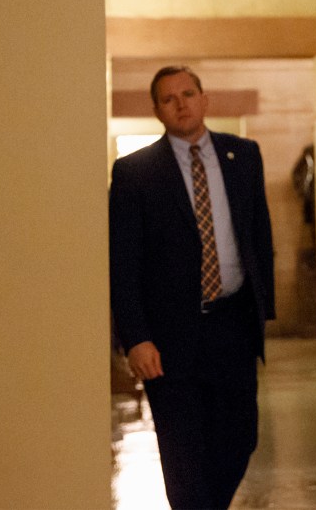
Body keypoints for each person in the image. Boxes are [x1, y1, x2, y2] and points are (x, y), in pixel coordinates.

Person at [110, 65, 275, 509]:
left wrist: (264, 312)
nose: (180, 103)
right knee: (183, 455)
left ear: (204, 99)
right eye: (169, 98)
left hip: (233, 327)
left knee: (241, 438)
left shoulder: (244, 156)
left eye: (188, 93)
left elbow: (259, 234)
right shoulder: (134, 173)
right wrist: (136, 338)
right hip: (170, 338)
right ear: (157, 111)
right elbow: (122, 263)